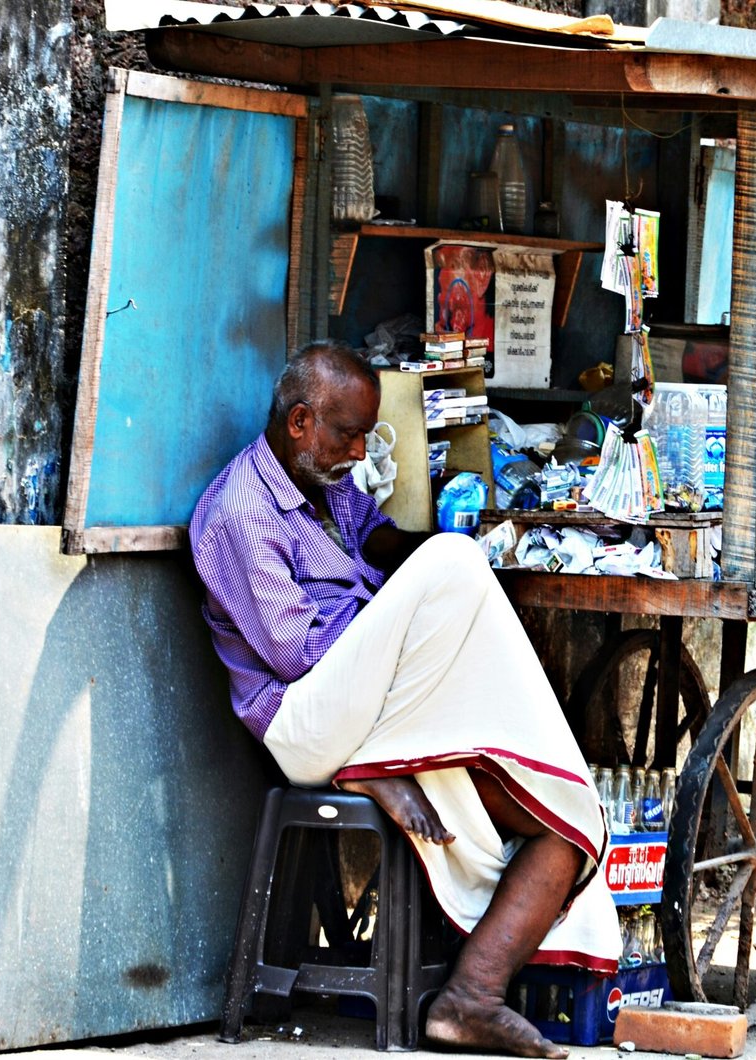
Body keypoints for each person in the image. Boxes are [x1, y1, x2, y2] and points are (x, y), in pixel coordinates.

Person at [190, 341, 617, 1058]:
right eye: (348, 433)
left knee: (570, 819)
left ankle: (469, 999)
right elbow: (301, 658)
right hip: (308, 720)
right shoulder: (240, 513)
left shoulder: (322, 479)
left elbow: (374, 535)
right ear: (300, 422)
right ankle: (374, 766)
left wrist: (434, 546)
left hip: (371, 703)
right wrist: (426, 604)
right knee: (453, 569)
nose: (360, 451)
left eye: (367, 433)